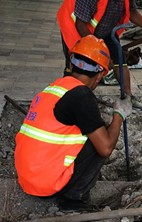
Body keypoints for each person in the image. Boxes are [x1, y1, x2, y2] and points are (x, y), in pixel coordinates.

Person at [14, 35, 132, 211]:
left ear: (71, 65)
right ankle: (73, 199)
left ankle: (65, 186)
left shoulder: (55, 88)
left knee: (93, 130)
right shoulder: (82, 96)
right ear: (100, 75)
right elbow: (106, 148)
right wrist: (118, 115)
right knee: (102, 139)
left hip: (28, 178)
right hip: (45, 185)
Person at [57, 0, 142, 98]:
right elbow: (80, 24)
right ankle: (71, 97)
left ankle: (127, 97)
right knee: (78, 66)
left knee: (119, 59)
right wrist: (99, 54)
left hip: (104, 30)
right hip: (76, 28)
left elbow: (131, 11)